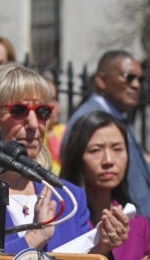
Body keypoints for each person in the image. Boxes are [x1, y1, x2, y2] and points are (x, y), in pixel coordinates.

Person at [0, 63, 130, 255]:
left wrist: (101, 246)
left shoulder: (69, 197)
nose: (32, 123)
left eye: (42, 112)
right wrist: (33, 239)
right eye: (19, 111)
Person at [62, 50, 150, 219]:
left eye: (140, 79)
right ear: (101, 80)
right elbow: (74, 176)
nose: (136, 85)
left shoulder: (118, 117)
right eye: (128, 77)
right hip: (112, 226)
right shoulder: (86, 118)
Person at [61, 111, 150, 260]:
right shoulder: (64, 221)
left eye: (117, 149)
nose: (108, 160)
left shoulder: (139, 225)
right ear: (77, 156)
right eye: (95, 150)